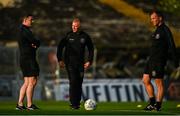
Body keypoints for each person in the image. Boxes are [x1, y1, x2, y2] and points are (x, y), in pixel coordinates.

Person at [142, 10, 179, 111]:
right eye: (151, 19)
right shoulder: (157, 30)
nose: (152, 20)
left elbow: (172, 45)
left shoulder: (165, 30)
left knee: (159, 83)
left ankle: (158, 105)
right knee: (145, 80)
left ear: (160, 18)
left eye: (154, 18)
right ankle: (152, 103)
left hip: (159, 61)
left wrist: (176, 61)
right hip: (151, 60)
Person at [57, 18, 94, 109]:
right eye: (73, 26)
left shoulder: (85, 36)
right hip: (70, 63)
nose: (75, 28)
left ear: (79, 26)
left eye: (76, 26)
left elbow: (91, 49)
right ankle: (73, 103)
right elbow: (60, 47)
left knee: (79, 83)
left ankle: (76, 103)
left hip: (80, 64)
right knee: (73, 82)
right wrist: (60, 60)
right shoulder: (68, 36)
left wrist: (89, 60)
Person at [16, 14, 40, 110]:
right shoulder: (25, 30)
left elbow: (33, 42)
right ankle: (29, 105)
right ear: (25, 20)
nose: (32, 21)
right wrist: (36, 43)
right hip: (28, 59)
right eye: (31, 20)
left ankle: (20, 104)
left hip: (24, 58)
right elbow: (34, 40)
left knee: (26, 82)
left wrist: (34, 44)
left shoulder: (22, 30)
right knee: (32, 81)